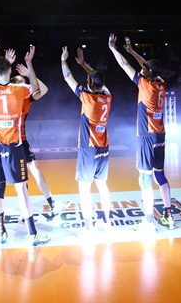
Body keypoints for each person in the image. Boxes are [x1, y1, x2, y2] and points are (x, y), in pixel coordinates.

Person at [0, 52, 70, 225]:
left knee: (35, 171)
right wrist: (19, 69)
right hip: (7, 141)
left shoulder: (24, 97)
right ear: (13, 83)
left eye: (24, 82)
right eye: (20, 81)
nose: (23, 83)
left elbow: (43, 90)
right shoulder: (15, 93)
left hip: (21, 141)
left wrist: (28, 73)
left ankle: (52, 203)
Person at [0, 33, 50, 247]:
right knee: (21, 190)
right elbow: (38, 89)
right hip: (13, 148)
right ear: (10, 71)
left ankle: (1, 231)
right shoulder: (20, 90)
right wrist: (29, 65)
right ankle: (32, 234)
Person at [108, 33, 174, 233]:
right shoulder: (161, 83)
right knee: (160, 175)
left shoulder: (145, 84)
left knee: (144, 178)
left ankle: (149, 222)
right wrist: (132, 51)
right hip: (160, 135)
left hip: (146, 136)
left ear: (148, 73)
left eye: (144, 69)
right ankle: (169, 217)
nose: (141, 70)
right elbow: (147, 67)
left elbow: (124, 65)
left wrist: (113, 49)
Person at [61, 46, 113, 238]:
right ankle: (107, 222)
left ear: (90, 83)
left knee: (84, 188)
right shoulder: (107, 96)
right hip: (103, 147)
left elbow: (68, 77)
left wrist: (63, 61)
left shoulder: (87, 98)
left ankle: (89, 228)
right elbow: (99, 80)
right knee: (102, 186)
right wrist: (84, 64)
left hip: (88, 149)